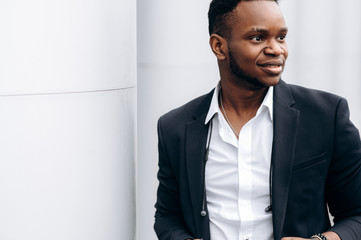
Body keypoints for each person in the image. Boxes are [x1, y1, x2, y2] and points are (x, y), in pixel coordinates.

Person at [154, 0, 361, 239]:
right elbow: (167, 216)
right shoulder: (175, 128)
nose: (276, 49)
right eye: (257, 38)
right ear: (219, 46)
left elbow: (356, 214)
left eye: (281, 37)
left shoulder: (327, 116)